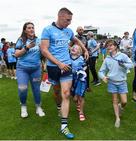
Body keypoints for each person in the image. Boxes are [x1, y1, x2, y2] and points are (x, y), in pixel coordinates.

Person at [40, 7, 89, 139]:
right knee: (57, 93)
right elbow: (44, 50)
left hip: (66, 66)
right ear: (60, 17)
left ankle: (64, 126)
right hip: (53, 67)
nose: (69, 22)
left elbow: (77, 40)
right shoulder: (47, 30)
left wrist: (85, 49)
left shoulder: (68, 31)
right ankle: (58, 106)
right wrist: (58, 63)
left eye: (71, 20)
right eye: (68, 20)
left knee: (66, 94)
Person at [98, 39, 133, 128]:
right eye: (107, 46)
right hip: (112, 82)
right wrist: (103, 77)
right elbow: (101, 71)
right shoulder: (107, 59)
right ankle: (117, 118)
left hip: (122, 82)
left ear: (116, 46)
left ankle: (120, 106)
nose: (108, 47)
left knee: (124, 101)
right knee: (115, 100)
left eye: (111, 45)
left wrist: (124, 65)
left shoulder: (123, 56)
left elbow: (131, 65)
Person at [15, 22, 45, 118]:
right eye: (29, 28)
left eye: (32, 27)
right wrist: (26, 48)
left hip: (36, 69)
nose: (31, 29)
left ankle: (38, 107)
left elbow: (43, 53)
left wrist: (43, 57)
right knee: (22, 88)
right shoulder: (21, 40)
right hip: (22, 69)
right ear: (25, 30)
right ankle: (23, 106)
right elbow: (17, 54)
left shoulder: (38, 40)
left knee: (36, 89)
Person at [70, 44, 87, 121]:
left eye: (76, 48)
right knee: (74, 98)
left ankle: (81, 112)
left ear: (79, 52)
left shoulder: (81, 58)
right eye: (73, 47)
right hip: (70, 79)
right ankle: (77, 103)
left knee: (81, 96)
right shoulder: (67, 57)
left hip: (80, 79)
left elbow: (85, 66)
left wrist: (81, 70)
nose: (73, 48)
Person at [76, 26, 91, 92]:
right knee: (77, 72)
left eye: (82, 30)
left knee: (86, 71)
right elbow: (70, 47)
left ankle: (87, 86)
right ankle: (76, 86)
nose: (81, 31)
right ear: (77, 31)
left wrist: (87, 53)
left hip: (84, 58)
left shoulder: (85, 38)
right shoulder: (74, 38)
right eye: (80, 30)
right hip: (76, 58)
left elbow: (86, 48)